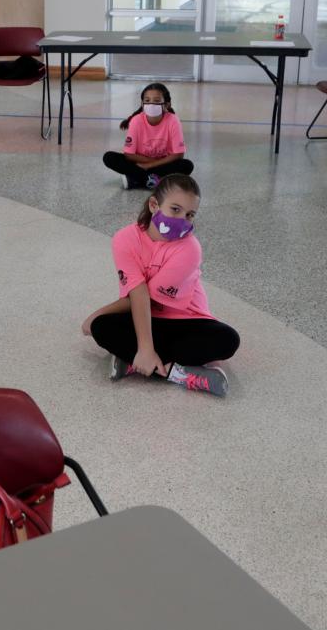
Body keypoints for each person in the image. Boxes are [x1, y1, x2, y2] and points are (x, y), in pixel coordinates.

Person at [82, 174, 238, 397]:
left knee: (227, 340)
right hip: (144, 315)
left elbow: (150, 297)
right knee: (102, 327)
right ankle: (178, 372)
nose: (183, 219)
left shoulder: (190, 248)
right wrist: (97, 319)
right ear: (154, 205)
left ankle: (137, 361)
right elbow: (137, 293)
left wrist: (145, 348)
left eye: (190, 215)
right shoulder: (125, 239)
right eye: (175, 209)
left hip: (186, 320)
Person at [102, 83, 195, 190]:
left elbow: (178, 154)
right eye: (147, 101)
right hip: (141, 162)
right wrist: (150, 162)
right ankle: (154, 179)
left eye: (156, 101)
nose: (151, 104)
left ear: (167, 105)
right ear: (142, 104)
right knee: (109, 157)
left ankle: (137, 179)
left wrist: (150, 166)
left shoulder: (173, 120)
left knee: (187, 165)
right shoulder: (136, 121)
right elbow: (129, 154)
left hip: (164, 163)